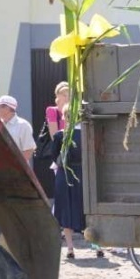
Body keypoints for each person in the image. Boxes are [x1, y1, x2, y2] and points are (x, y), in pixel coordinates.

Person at [51, 104, 103, 260]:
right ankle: (96, 246)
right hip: (86, 175)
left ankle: (70, 248)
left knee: (66, 211)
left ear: (67, 117)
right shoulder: (89, 135)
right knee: (88, 210)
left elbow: (55, 157)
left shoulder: (61, 136)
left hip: (66, 175)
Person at [0, 94, 36, 165]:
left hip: (17, 172)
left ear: (8, 108)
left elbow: (29, 150)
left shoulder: (23, 125)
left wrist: (14, 165)